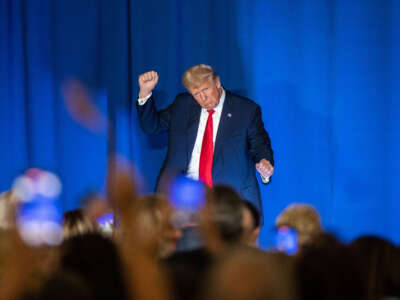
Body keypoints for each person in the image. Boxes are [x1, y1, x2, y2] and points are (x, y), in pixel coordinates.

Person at [136, 64, 274, 221]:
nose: (203, 98)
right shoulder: (183, 105)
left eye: (205, 90)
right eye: (196, 94)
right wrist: (145, 93)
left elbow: (259, 145)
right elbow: (152, 126)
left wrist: (264, 164)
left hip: (228, 200)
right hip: (183, 200)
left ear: (217, 82)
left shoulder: (246, 110)